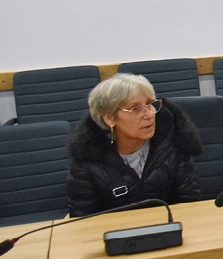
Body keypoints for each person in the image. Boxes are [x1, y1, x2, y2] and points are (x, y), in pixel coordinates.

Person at [67, 73, 203, 216]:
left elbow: (189, 204)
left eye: (150, 104)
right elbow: (83, 217)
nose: (149, 114)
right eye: (136, 109)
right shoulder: (87, 157)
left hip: (169, 225)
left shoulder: (174, 142)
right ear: (110, 118)